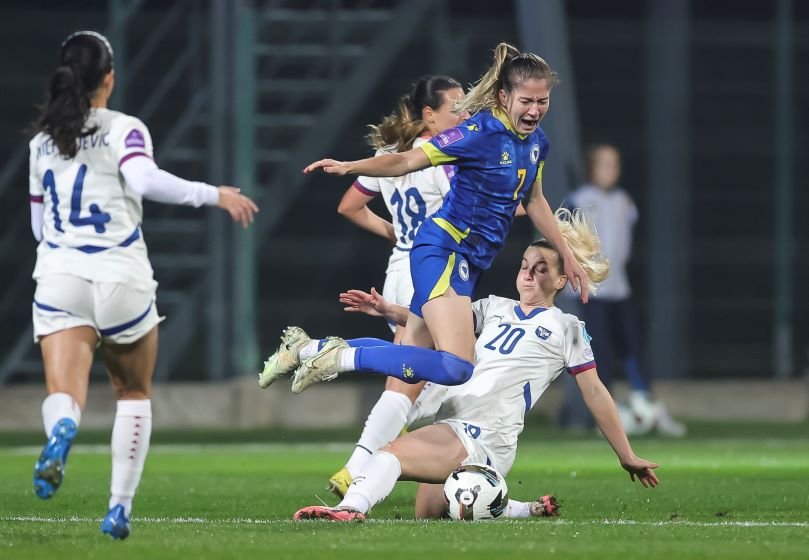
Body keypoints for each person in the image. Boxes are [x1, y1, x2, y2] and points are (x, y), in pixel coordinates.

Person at [28, 31, 258, 539]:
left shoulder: (42, 141)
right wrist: (212, 194)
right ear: (108, 78)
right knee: (132, 392)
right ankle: (118, 508)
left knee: (64, 392)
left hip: (61, 276)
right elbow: (146, 181)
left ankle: (62, 427)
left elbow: (38, 229)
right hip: (121, 277)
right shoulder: (123, 128)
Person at [287, 209, 659, 521]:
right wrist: (391, 311)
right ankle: (523, 508)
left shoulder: (567, 328)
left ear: (562, 279)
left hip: (485, 432)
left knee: (391, 453)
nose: (528, 274)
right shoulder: (493, 307)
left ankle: (350, 509)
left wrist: (625, 455)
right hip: (453, 421)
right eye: (525, 265)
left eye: (541, 269)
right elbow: (438, 325)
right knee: (430, 513)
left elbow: (594, 391)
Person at [287, 43, 590, 409]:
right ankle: (336, 358)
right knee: (457, 367)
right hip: (443, 250)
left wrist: (567, 255)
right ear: (504, 96)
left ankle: (356, 445)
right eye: (527, 100)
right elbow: (406, 161)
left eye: (542, 101)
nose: (535, 110)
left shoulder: (537, 143)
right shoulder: (478, 133)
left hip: (466, 260)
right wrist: (351, 166)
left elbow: (535, 200)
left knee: (411, 365)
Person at [259, 76, 467, 496]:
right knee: (421, 380)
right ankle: (355, 459)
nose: (465, 114)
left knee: (419, 376)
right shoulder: (443, 160)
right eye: (456, 107)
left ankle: (367, 453)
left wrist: (400, 234)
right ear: (429, 115)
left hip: (401, 267)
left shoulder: (388, 154)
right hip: (431, 273)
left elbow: (349, 206)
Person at [564, 144, 685, 436]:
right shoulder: (578, 200)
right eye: (604, 164)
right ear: (591, 167)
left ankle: (647, 407)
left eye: (615, 164)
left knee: (632, 346)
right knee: (599, 352)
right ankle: (604, 417)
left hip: (619, 289)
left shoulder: (624, 201)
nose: (611, 170)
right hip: (590, 292)